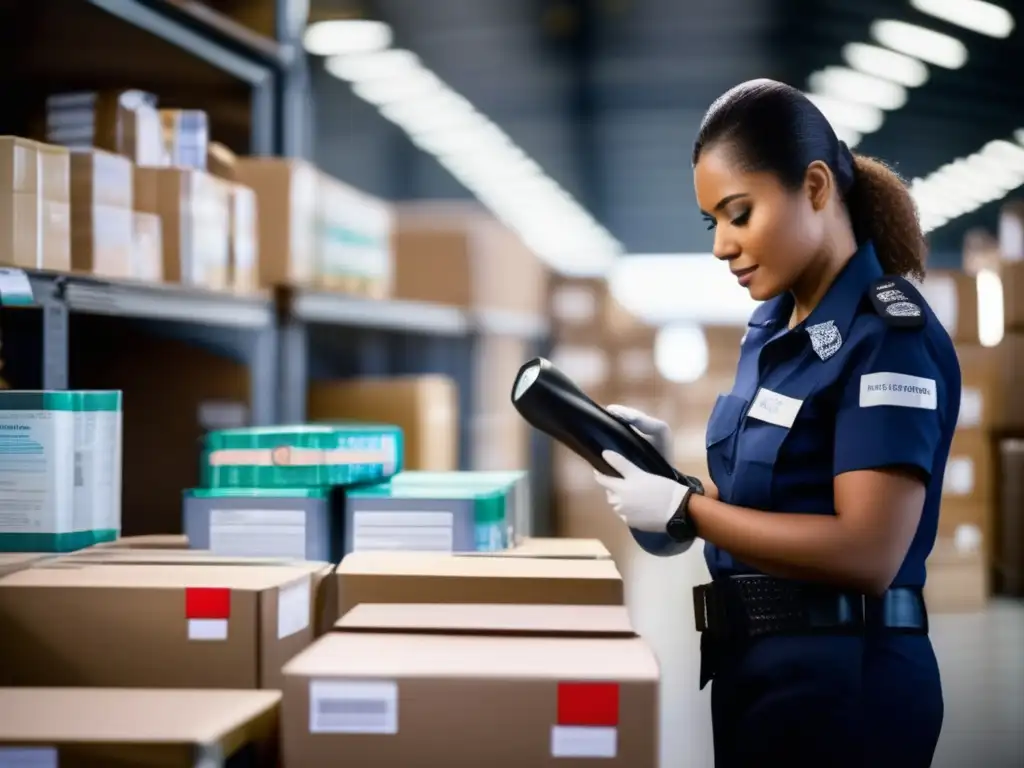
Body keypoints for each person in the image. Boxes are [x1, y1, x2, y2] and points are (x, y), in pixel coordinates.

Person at [594, 78, 958, 768]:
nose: (722, 246)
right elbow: (774, 504)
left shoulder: (886, 336)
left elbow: (867, 553)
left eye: (739, 213)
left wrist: (691, 510)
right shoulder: (771, 328)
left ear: (815, 187)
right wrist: (672, 483)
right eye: (713, 223)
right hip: (761, 676)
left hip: (848, 690)